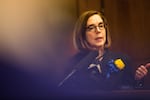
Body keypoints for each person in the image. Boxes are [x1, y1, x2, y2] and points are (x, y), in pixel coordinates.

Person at [58, 10, 150, 93]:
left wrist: (138, 79)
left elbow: (131, 91)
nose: (98, 31)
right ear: (82, 34)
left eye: (101, 26)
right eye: (91, 28)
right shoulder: (74, 64)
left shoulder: (123, 60)